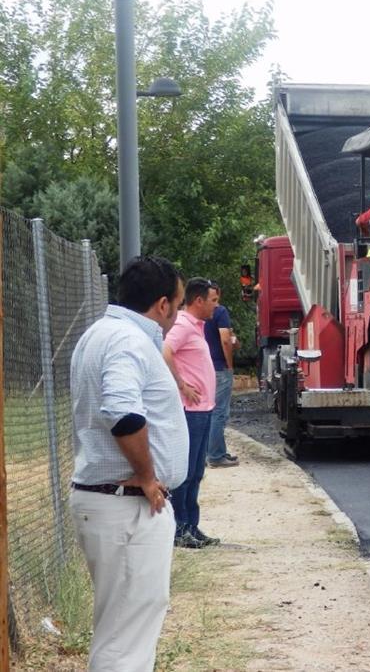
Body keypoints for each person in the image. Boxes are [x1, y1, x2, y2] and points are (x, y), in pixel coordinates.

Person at [69, 255, 187, 671]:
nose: (177, 315)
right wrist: (148, 476)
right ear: (162, 304)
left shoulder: (102, 333)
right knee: (125, 641)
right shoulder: (128, 340)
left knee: (123, 629)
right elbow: (122, 411)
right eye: (178, 305)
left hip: (113, 502)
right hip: (126, 505)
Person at [163, 277, 221, 549]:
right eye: (213, 300)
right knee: (185, 472)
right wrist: (182, 384)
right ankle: (179, 528)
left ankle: (192, 526)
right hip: (190, 411)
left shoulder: (196, 326)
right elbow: (165, 351)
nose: (216, 306)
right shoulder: (183, 325)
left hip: (203, 409)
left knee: (197, 471)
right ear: (198, 300)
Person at [205, 285, 239, 468]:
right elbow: (226, 339)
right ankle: (216, 456)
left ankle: (212, 451)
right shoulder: (220, 312)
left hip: (204, 368)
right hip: (219, 367)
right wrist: (229, 365)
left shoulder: (195, 315)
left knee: (207, 411)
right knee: (219, 412)